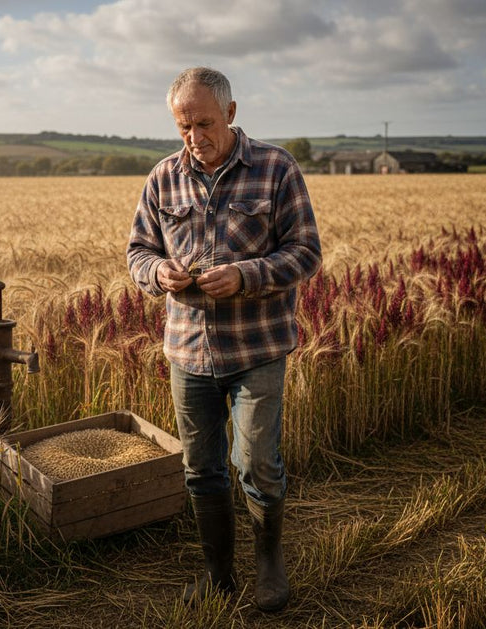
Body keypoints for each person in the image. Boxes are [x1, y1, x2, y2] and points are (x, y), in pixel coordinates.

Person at [126, 67, 321, 612]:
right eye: (183, 126)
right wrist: (157, 274)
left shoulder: (277, 169)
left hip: (256, 348)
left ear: (231, 114)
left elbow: (307, 252)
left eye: (204, 123)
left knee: (256, 461)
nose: (194, 137)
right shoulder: (163, 177)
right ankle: (218, 576)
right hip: (188, 352)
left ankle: (268, 566)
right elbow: (137, 251)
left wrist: (246, 276)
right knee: (201, 467)